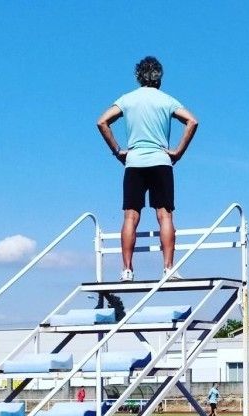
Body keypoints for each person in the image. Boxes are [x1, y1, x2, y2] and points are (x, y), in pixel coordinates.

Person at [97, 56, 199, 282]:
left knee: (130, 216)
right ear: (159, 78)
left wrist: (117, 150)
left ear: (138, 77)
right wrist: (178, 152)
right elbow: (192, 121)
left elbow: (102, 121)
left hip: (134, 162)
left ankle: (127, 270)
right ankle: (168, 268)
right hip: (161, 161)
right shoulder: (166, 100)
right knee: (165, 215)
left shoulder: (127, 99)